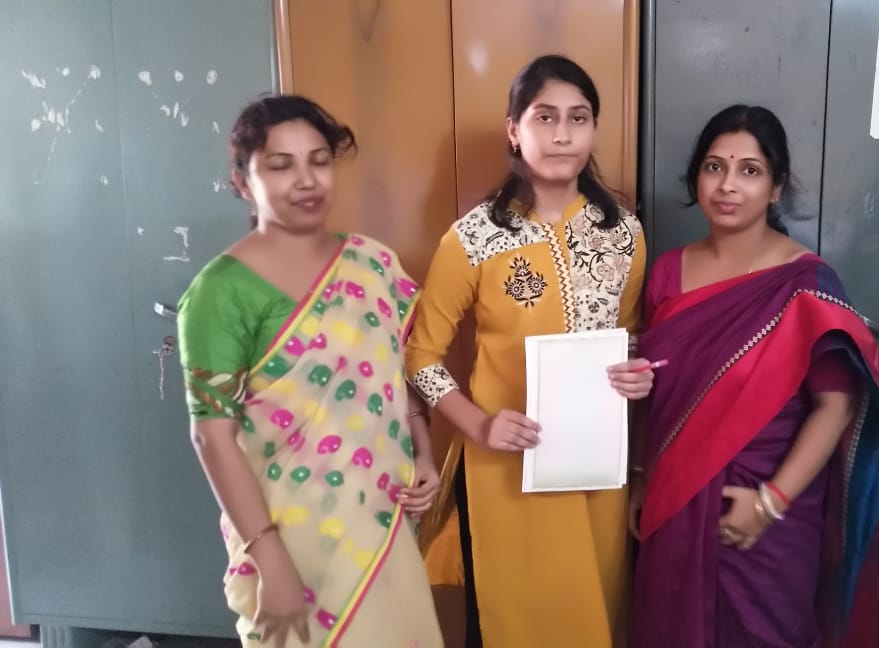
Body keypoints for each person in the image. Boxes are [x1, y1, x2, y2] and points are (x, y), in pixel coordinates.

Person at [630, 104, 879, 648]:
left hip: (766, 518)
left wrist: (771, 502)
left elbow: (836, 406)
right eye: (714, 167)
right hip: (674, 501)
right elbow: (655, 389)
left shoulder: (805, 284)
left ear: (776, 187)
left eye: (750, 170)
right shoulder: (666, 272)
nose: (727, 185)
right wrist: (641, 476)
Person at [177, 94, 443, 648]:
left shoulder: (373, 262)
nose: (306, 180)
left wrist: (423, 452)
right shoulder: (219, 292)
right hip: (288, 535)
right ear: (243, 182)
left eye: (319, 161)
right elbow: (211, 436)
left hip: (381, 515)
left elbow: (397, 370)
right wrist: (270, 559)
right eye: (281, 165)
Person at [405, 55, 653, 647]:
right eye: (545, 117)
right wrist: (480, 426)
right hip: (505, 465)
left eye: (578, 117)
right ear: (515, 130)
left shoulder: (624, 234)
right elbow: (421, 356)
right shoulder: (474, 238)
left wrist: (637, 375)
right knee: (512, 620)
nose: (563, 133)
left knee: (591, 613)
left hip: (595, 469)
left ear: (594, 130)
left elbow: (629, 337)